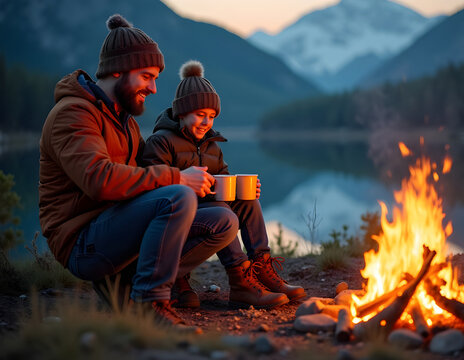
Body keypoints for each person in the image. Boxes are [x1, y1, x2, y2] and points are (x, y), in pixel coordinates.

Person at [38, 15, 239, 326]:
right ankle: (150, 303)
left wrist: (203, 186)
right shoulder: (73, 114)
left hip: (118, 227)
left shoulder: (125, 122)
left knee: (223, 220)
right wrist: (179, 179)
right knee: (176, 197)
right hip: (83, 243)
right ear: (117, 70)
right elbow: (100, 181)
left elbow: (141, 184)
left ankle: (129, 286)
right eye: (147, 76)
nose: (155, 88)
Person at [142, 60, 306, 309]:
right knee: (222, 209)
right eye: (200, 115)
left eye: (211, 117)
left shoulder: (211, 145)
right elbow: (154, 186)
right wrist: (184, 179)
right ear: (182, 113)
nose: (206, 122)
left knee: (247, 199)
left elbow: (223, 177)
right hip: (175, 216)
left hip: (206, 210)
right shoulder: (160, 142)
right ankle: (236, 280)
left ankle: (261, 269)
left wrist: (241, 189)